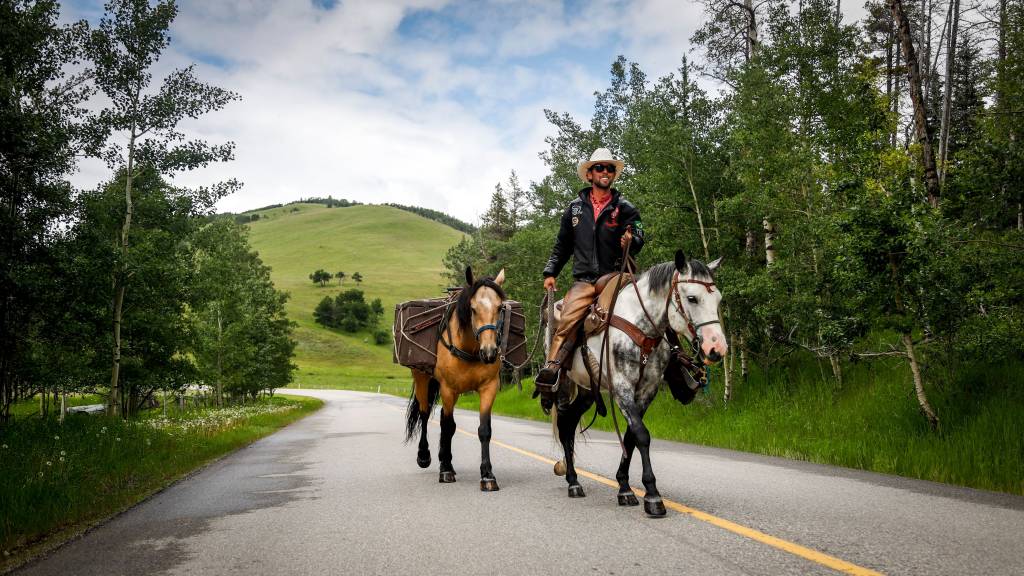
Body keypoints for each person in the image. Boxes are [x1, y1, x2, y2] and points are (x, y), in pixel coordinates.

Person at [535, 147, 644, 400]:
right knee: (567, 319)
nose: (605, 172)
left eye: (610, 168)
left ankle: (676, 365)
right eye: (600, 168)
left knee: (646, 309)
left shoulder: (625, 208)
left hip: (615, 275)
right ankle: (552, 369)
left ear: (614, 175)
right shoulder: (574, 209)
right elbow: (562, 245)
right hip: (584, 280)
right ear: (589, 174)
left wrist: (631, 240)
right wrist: (550, 271)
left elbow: (640, 235)